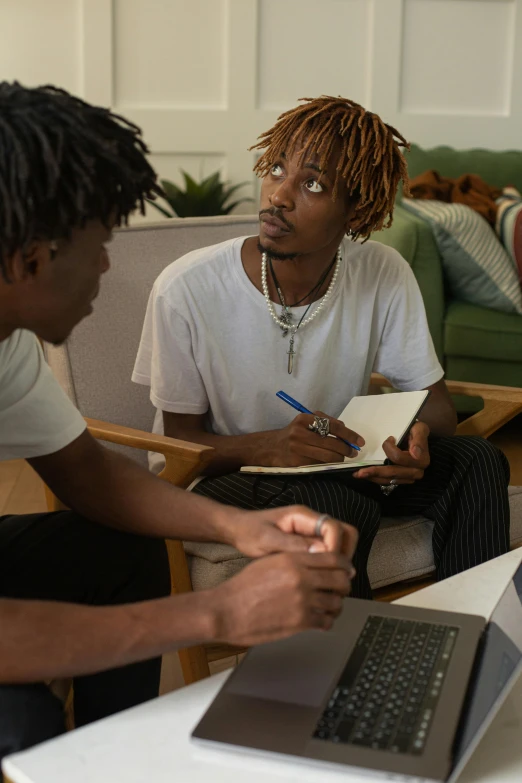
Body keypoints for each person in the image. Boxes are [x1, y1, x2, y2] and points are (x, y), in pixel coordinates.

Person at [0, 83, 358, 761]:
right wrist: (218, 612)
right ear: (32, 260)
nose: (108, 266)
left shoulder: (8, 341)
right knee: (19, 720)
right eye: (100, 246)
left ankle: (123, 761)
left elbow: (89, 472)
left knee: (120, 547)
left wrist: (238, 526)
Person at [133, 95, 510, 602]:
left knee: (478, 460)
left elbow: (436, 406)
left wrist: (412, 441)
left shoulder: (381, 272)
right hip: (226, 476)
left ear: (356, 207)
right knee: (336, 505)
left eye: (312, 183)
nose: (278, 196)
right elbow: (179, 446)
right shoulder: (187, 288)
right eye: (275, 169)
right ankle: (348, 670)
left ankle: (469, 641)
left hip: (335, 464)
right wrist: (269, 446)